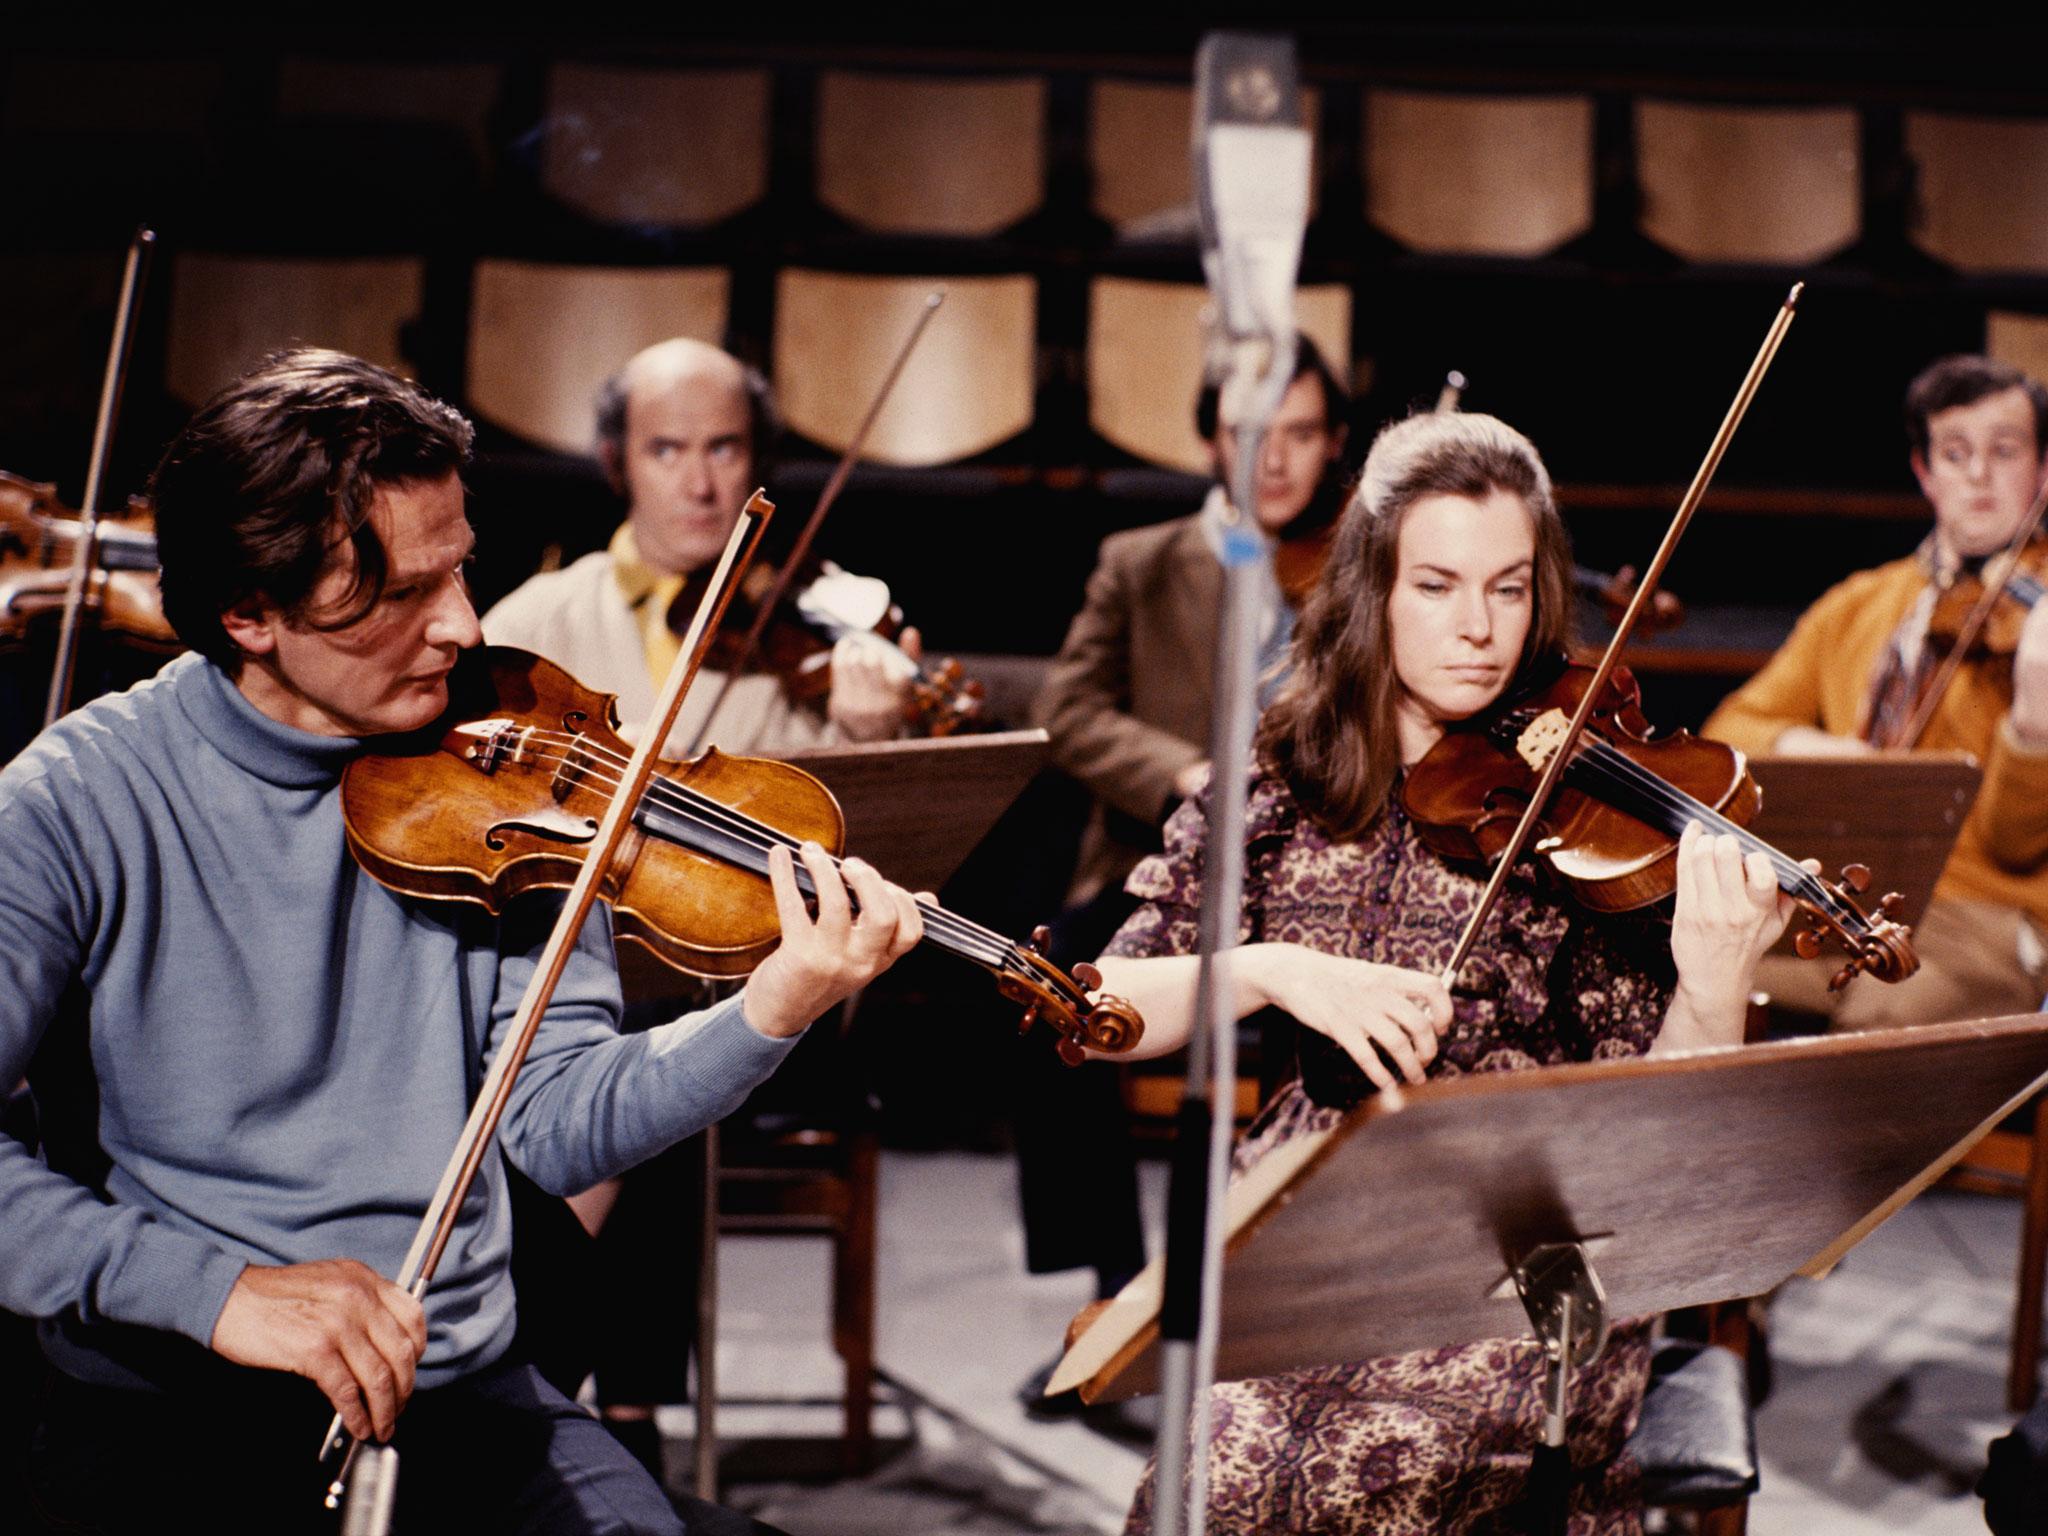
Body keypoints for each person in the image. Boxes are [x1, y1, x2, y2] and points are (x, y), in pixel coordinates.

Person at [0, 348, 924, 1535]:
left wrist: (773, 1008)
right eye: (393, 597)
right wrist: (215, 1289)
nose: (461, 628)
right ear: (249, 613)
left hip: (472, 1390)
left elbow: (555, 1119)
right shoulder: (79, 799)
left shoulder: (515, 772)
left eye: (460, 573)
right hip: (177, 1390)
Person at [1084, 410, 1792, 1534]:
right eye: (1437, 585)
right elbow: (1106, 1006)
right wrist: (1272, 969)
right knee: (1202, 1482)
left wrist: (1711, 985)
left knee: (1365, 1474)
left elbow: (1666, 1155)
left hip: (1527, 1265)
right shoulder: (1285, 774)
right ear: (1373, 589)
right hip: (1308, 1231)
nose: (1478, 630)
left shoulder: (1593, 811)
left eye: (1508, 589)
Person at [1010, 338, 1351, 1406]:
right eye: (1255, 434)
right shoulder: (1139, 561)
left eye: (1301, 435)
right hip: (1163, 860)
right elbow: (1066, 710)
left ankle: (1304, 1312)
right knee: (1054, 983)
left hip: (1315, 872)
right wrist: (1184, 774)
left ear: (1333, 444)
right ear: (1211, 436)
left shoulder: (1354, 569)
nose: (1277, 461)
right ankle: (1121, 1290)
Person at [1703, 354, 2048, 1029]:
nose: (1978, 474)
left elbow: (2014, 845)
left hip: (1990, 919)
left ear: (2042, 470)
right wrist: (1841, 755)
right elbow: (1731, 731)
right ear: (1925, 472)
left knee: (1883, 1012)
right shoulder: (1861, 603)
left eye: (2004, 451)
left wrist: (2034, 723)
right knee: (1691, 968)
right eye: (1955, 453)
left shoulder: (2040, 623)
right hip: (1852, 899)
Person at [482, 336, 917, 754]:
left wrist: (870, 738)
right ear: (617, 464)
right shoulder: (532, 626)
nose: (700, 486)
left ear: (758, 461)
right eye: (666, 451)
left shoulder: (823, 618)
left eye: (723, 450)